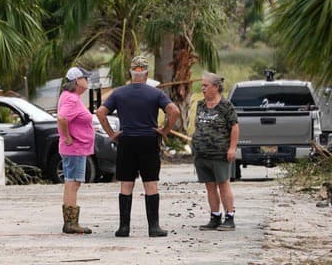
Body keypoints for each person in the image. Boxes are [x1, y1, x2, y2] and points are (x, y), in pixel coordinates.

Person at [96, 55, 182, 238]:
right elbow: (174, 111)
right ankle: (154, 227)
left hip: (126, 140)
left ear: (131, 72)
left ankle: (124, 228)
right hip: (148, 140)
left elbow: (100, 112)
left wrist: (111, 134)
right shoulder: (155, 93)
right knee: (150, 183)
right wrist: (164, 130)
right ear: (147, 73)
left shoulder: (119, 93)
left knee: (126, 184)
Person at [192, 71, 239, 231]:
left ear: (216, 87)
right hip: (201, 153)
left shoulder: (226, 106)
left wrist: (232, 148)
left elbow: (234, 127)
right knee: (209, 185)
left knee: (223, 184)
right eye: (202, 85)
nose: (202, 88)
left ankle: (230, 217)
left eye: (205, 85)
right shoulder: (201, 105)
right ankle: (215, 216)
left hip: (219, 153)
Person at [57, 66, 94, 234]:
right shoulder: (71, 99)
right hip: (75, 148)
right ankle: (72, 223)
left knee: (70, 182)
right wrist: (67, 137)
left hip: (74, 148)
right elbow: (62, 118)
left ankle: (69, 222)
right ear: (77, 81)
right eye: (85, 78)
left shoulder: (69, 97)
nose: (87, 81)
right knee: (73, 183)